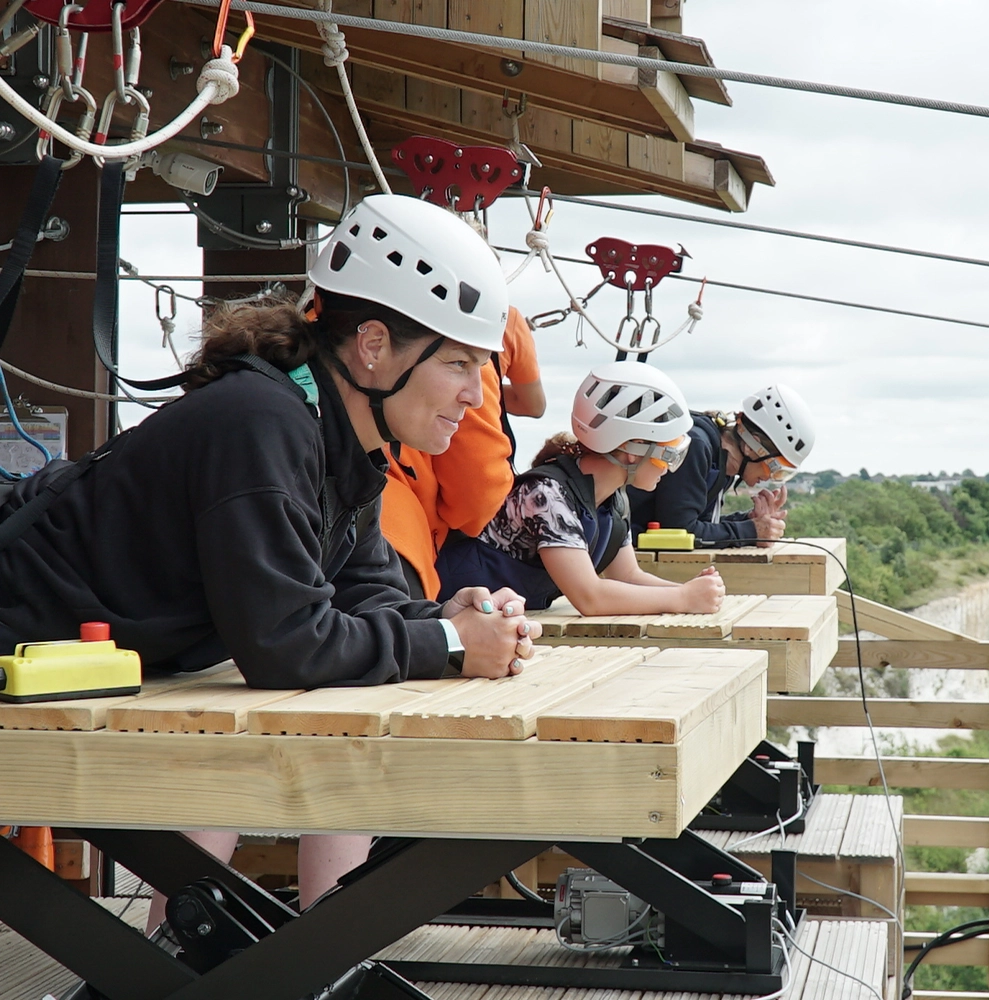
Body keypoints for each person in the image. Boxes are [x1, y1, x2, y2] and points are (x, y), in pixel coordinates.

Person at [0, 193, 543, 927]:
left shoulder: (337, 438)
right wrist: (448, 644)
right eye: (458, 364)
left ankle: (181, 963)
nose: (474, 395)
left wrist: (453, 618)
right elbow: (288, 644)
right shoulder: (263, 423)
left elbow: (364, 595)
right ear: (375, 345)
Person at [435, 361, 726, 615]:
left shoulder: (612, 500)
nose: (672, 468)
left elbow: (627, 575)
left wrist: (691, 590)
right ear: (631, 450)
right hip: (450, 612)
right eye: (669, 454)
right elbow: (590, 597)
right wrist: (683, 598)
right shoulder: (547, 495)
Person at [380, 304, 546, 600]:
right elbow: (477, 485)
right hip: (402, 529)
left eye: (478, 367)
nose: (475, 396)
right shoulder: (502, 317)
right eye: (459, 363)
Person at [628, 383, 816, 547]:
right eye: (775, 469)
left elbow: (701, 524)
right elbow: (680, 531)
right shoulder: (697, 448)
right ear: (753, 447)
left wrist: (749, 521)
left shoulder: (720, 464)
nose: (769, 478)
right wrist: (750, 532)